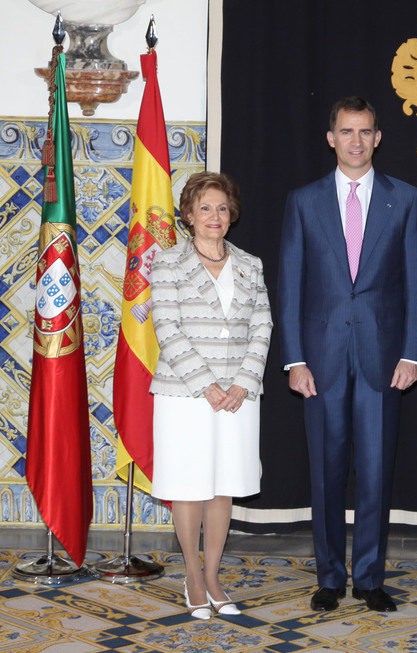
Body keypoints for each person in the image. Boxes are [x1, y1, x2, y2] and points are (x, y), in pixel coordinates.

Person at [278, 96, 417, 613]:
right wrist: (294, 359)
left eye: (365, 132)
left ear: (378, 138)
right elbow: (291, 283)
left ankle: (369, 577)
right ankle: (328, 577)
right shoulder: (304, 200)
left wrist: (411, 351)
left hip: (383, 360)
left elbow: (414, 282)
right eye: (347, 131)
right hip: (320, 362)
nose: (356, 141)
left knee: (375, 472)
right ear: (331, 138)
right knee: (326, 471)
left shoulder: (403, 198)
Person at [149, 171, 273, 620]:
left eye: (222, 208)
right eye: (205, 208)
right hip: (185, 395)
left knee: (223, 485)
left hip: (239, 397)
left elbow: (262, 326)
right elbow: (167, 327)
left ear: (231, 213)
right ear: (188, 215)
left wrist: (242, 382)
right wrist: (208, 385)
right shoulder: (166, 263)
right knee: (189, 484)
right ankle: (192, 575)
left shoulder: (251, 264)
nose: (214, 216)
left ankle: (215, 574)